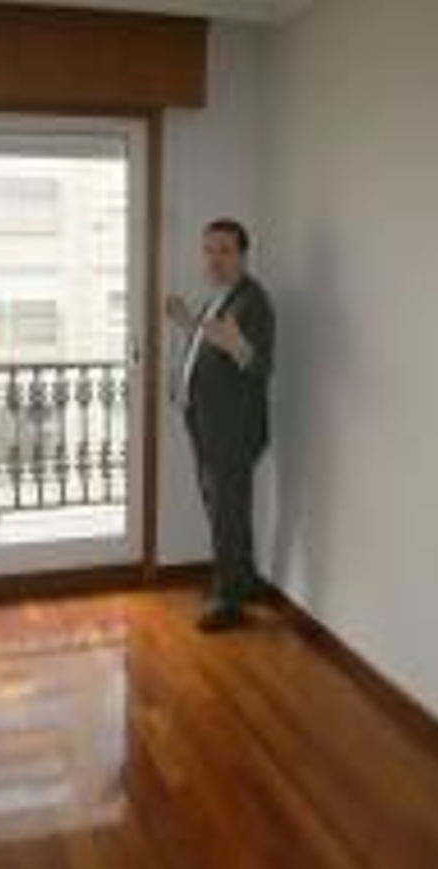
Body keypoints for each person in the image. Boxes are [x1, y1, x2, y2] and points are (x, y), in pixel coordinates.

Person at [166, 219, 276, 632]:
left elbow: (262, 365)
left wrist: (239, 346)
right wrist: (187, 324)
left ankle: (229, 601)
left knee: (227, 511)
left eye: (224, 250)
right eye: (209, 250)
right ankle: (241, 581)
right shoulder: (222, 297)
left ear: (242, 255)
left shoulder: (253, 301)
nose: (214, 258)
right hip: (207, 421)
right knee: (224, 508)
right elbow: (211, 342)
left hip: (232, 430)